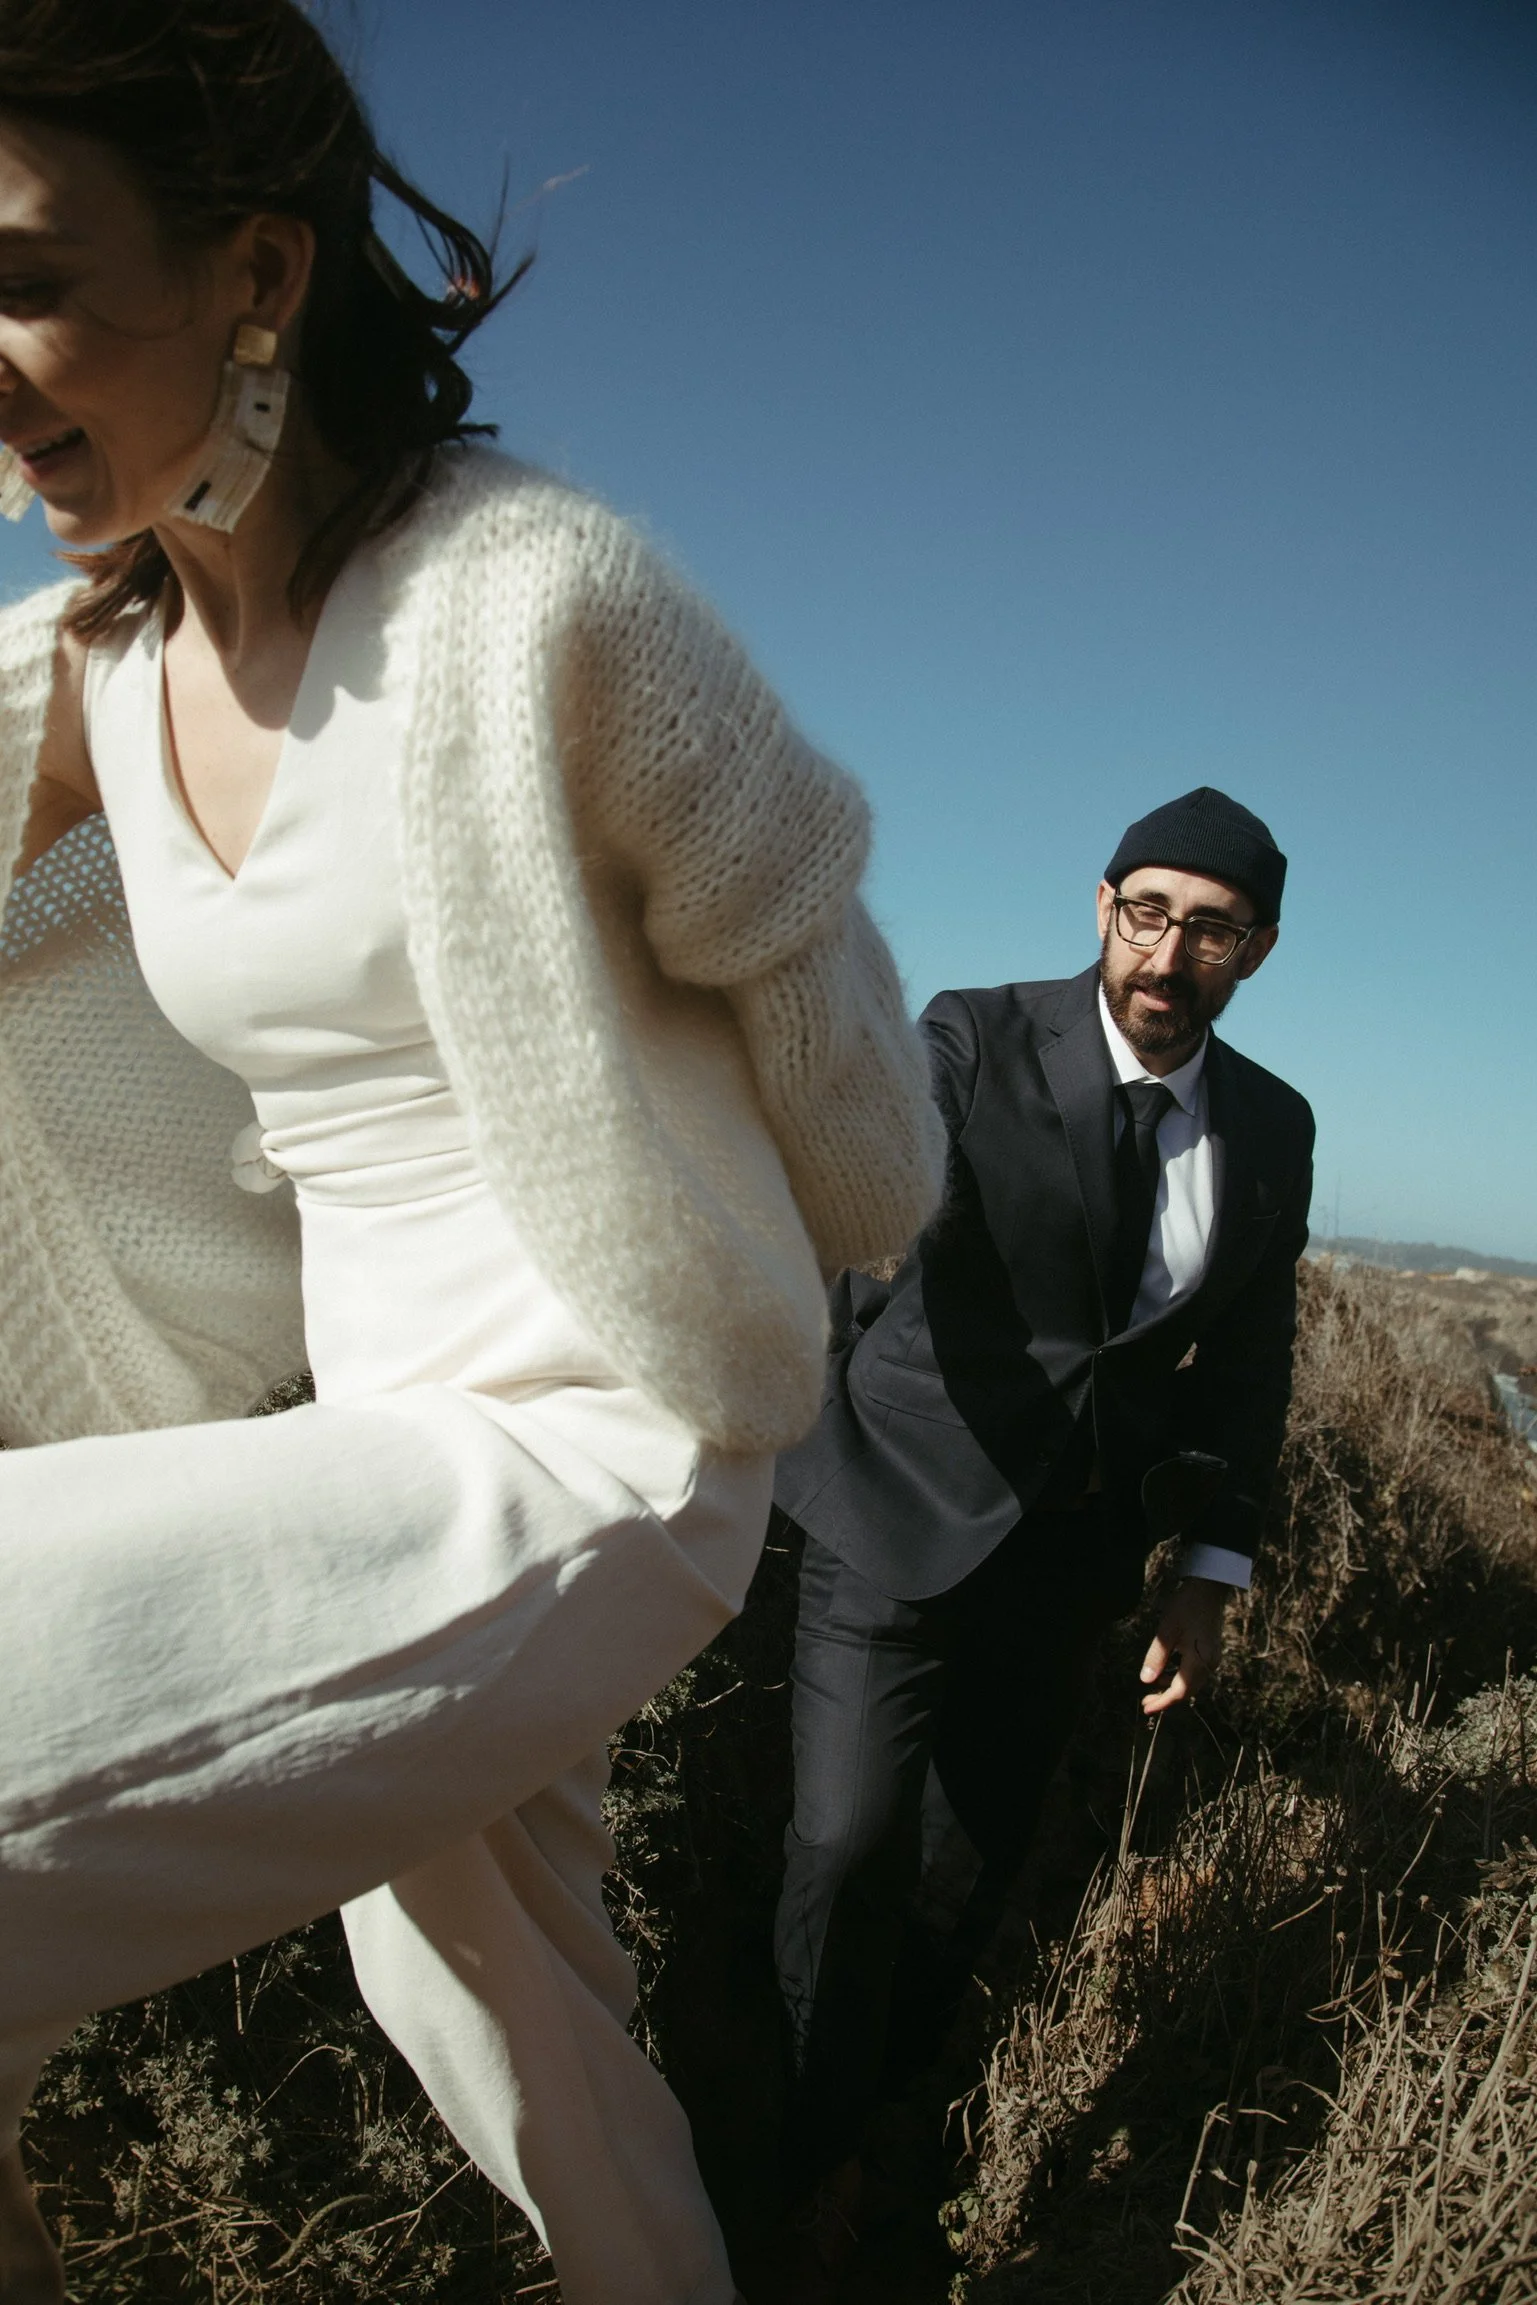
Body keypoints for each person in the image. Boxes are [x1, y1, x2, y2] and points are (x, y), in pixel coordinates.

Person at [0, 6, 946, 2302]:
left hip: (593, 1437)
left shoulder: (537, 600)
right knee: (498, 2011)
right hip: (354, 1425)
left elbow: (834, 1024)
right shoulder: (89, 668)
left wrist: (781, 1284)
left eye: (20, 270)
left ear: (255, 271)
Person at [770, 786, 1315, 2283]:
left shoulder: (1271, 1127)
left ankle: (883, 2135)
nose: (1169, 952)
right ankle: (792, 2169)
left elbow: (1250, 1358)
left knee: (960, 1878)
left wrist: (1208, 1575)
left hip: (1069, 1565)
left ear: (1255, 950)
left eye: (1210, 929)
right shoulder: (974, 1034)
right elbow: (866, 1184)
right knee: (846, 1841)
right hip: (892, 1504)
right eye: (1147, 913)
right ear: (1101, 909)